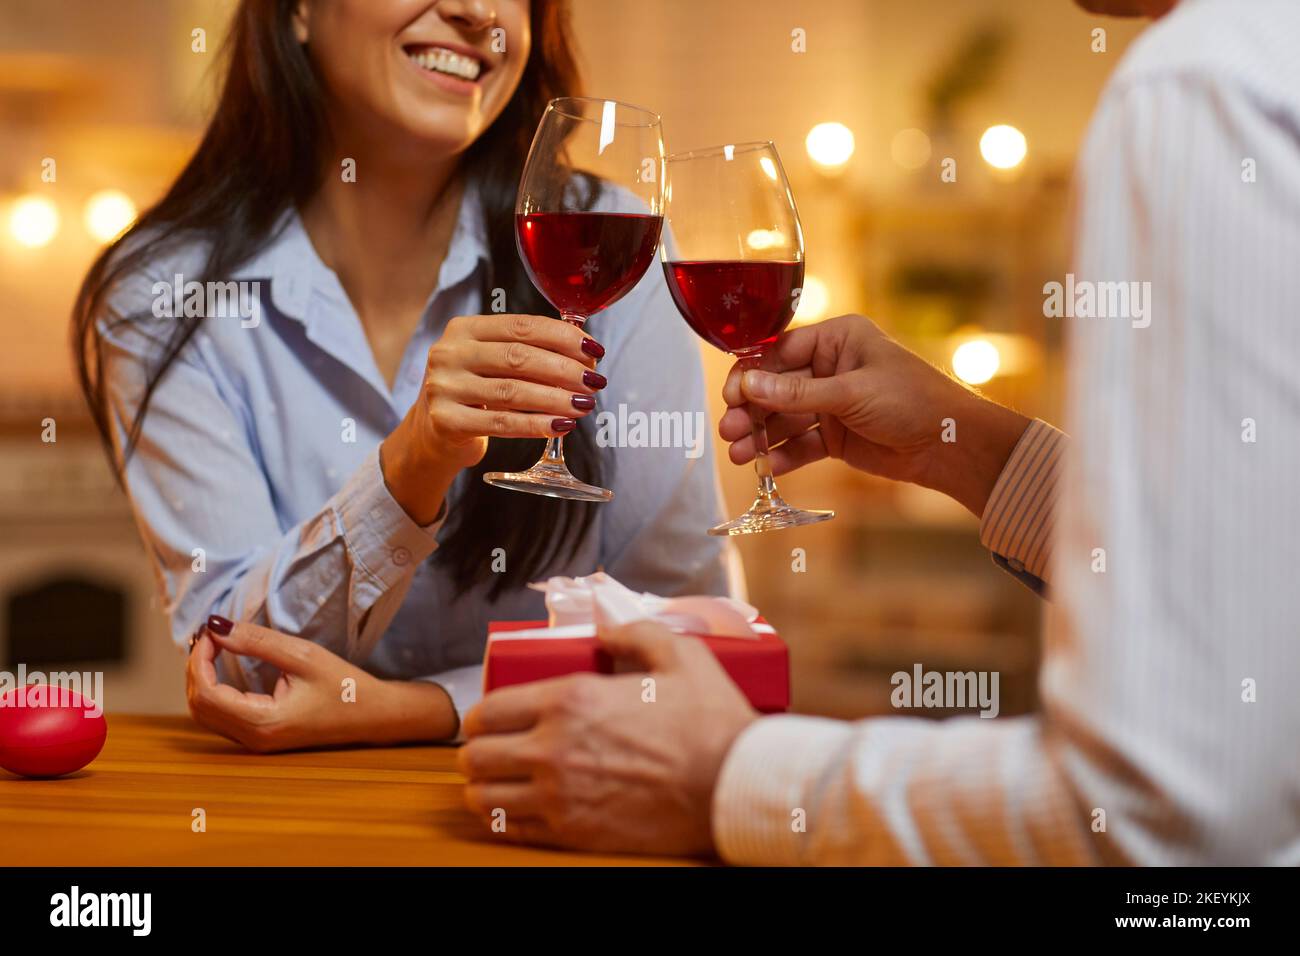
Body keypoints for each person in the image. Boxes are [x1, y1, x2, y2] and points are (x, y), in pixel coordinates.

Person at [458, 0, 1300, 863]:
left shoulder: (1206, 81)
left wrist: (733, 777)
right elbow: (1261, 582)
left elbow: (1171, 810)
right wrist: (961, 441)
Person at [71, 0, 733, 752]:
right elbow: (242, 674)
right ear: (298, 11)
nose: (475, 10)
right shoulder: (162, 296)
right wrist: (413, 463)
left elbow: (687, 633)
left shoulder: (616, 246)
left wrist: (416, 707)